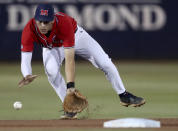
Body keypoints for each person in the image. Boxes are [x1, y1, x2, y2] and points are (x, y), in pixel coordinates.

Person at [19, 4, 145, 119]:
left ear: (53, 20)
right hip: (52, 48)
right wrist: (27, 74)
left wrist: (70, 87)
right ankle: (70, 109)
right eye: (39, 21)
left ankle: (124, 95)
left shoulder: (64, 23)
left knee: (105, 63)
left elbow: (70, 60)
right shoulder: (29, 29)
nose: (42, 25)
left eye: (46, 22)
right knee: (51, 72)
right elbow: (25, 56)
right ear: (35, 19)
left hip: (77, 37)